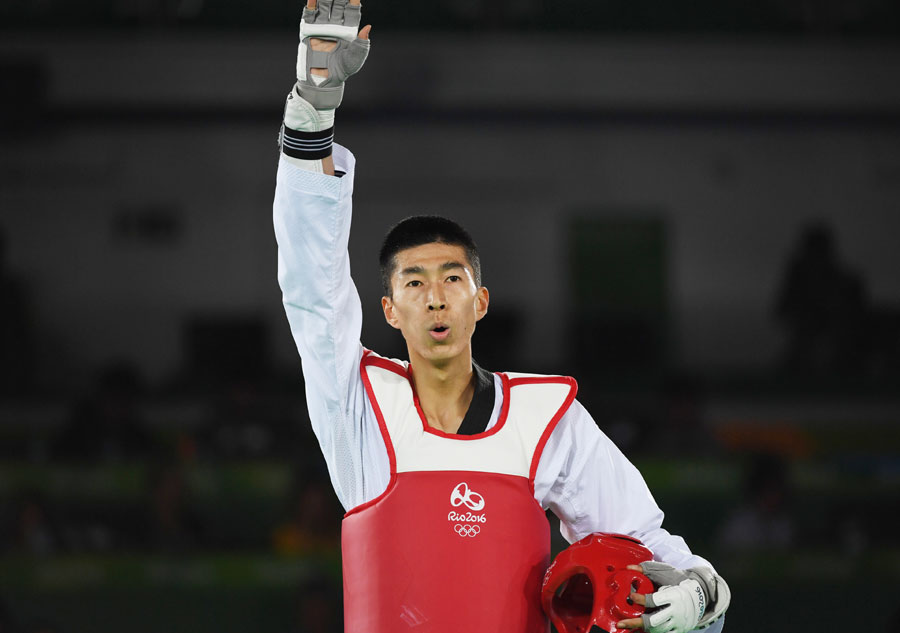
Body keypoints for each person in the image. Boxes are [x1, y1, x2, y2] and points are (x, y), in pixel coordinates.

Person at [272, 1, 730, 631]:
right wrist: (312, 108)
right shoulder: (358, 405)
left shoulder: (546, 419)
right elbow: (312, 287)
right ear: (390, 309)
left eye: (452, 279)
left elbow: (647, 543)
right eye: (415, 282)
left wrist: (700, 596)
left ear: (480, 301)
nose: (435, 297)